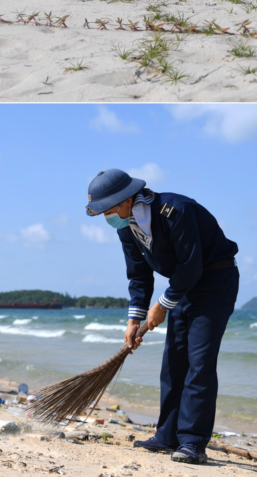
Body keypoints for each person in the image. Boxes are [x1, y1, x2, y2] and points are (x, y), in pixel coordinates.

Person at [86, 168, 238, 465]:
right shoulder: (125, 227)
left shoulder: (175, 211)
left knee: (200, 362)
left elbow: (191, 267)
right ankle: (167, 434)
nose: (107, 216)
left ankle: (193, 442)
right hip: (181, 287)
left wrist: (162, 305)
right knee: (174, 361)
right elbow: (139, 274)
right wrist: (135, 318)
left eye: (108, 209)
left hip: (214, 282)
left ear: (127, 200)